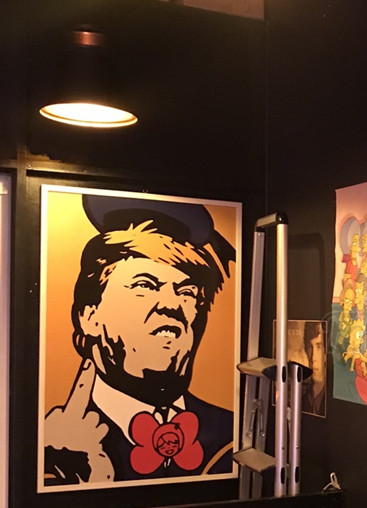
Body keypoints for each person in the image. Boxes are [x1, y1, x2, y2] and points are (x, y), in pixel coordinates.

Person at [43, 195, 236, 487]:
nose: (172, 305)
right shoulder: (55, 450)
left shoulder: (229, 436)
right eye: (145, 285)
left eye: (186, 292)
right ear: (89, 316)